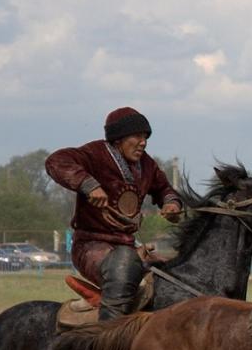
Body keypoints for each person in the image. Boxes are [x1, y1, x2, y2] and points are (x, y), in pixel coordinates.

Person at [46, 107, 182, 319]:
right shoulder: (94, 154)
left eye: (145, 137)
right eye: (137, 136)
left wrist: (171, 204)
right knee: (124, 265)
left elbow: (165, 188)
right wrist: (88, 184)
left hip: (128, 247)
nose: (143, 142)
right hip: (91, 246)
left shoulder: (146, 164)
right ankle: (107, 336)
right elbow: (56, 161)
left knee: (172, 275)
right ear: (118, 139)